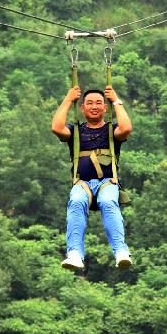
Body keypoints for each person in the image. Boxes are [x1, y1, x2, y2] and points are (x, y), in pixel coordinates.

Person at [51, 85, 133, 271]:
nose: (94, 106)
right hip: (82, 183)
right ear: (82, 108)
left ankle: (121, 251)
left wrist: (115, 100)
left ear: (105, 108)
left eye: (98, 103)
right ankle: (74, 254)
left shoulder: (111, 131)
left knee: (108, 201)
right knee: (76, 201)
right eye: (89, 103)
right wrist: (68, 98)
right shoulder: (76, 131)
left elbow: (127, 128)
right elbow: (56, 127)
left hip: (107, 182)